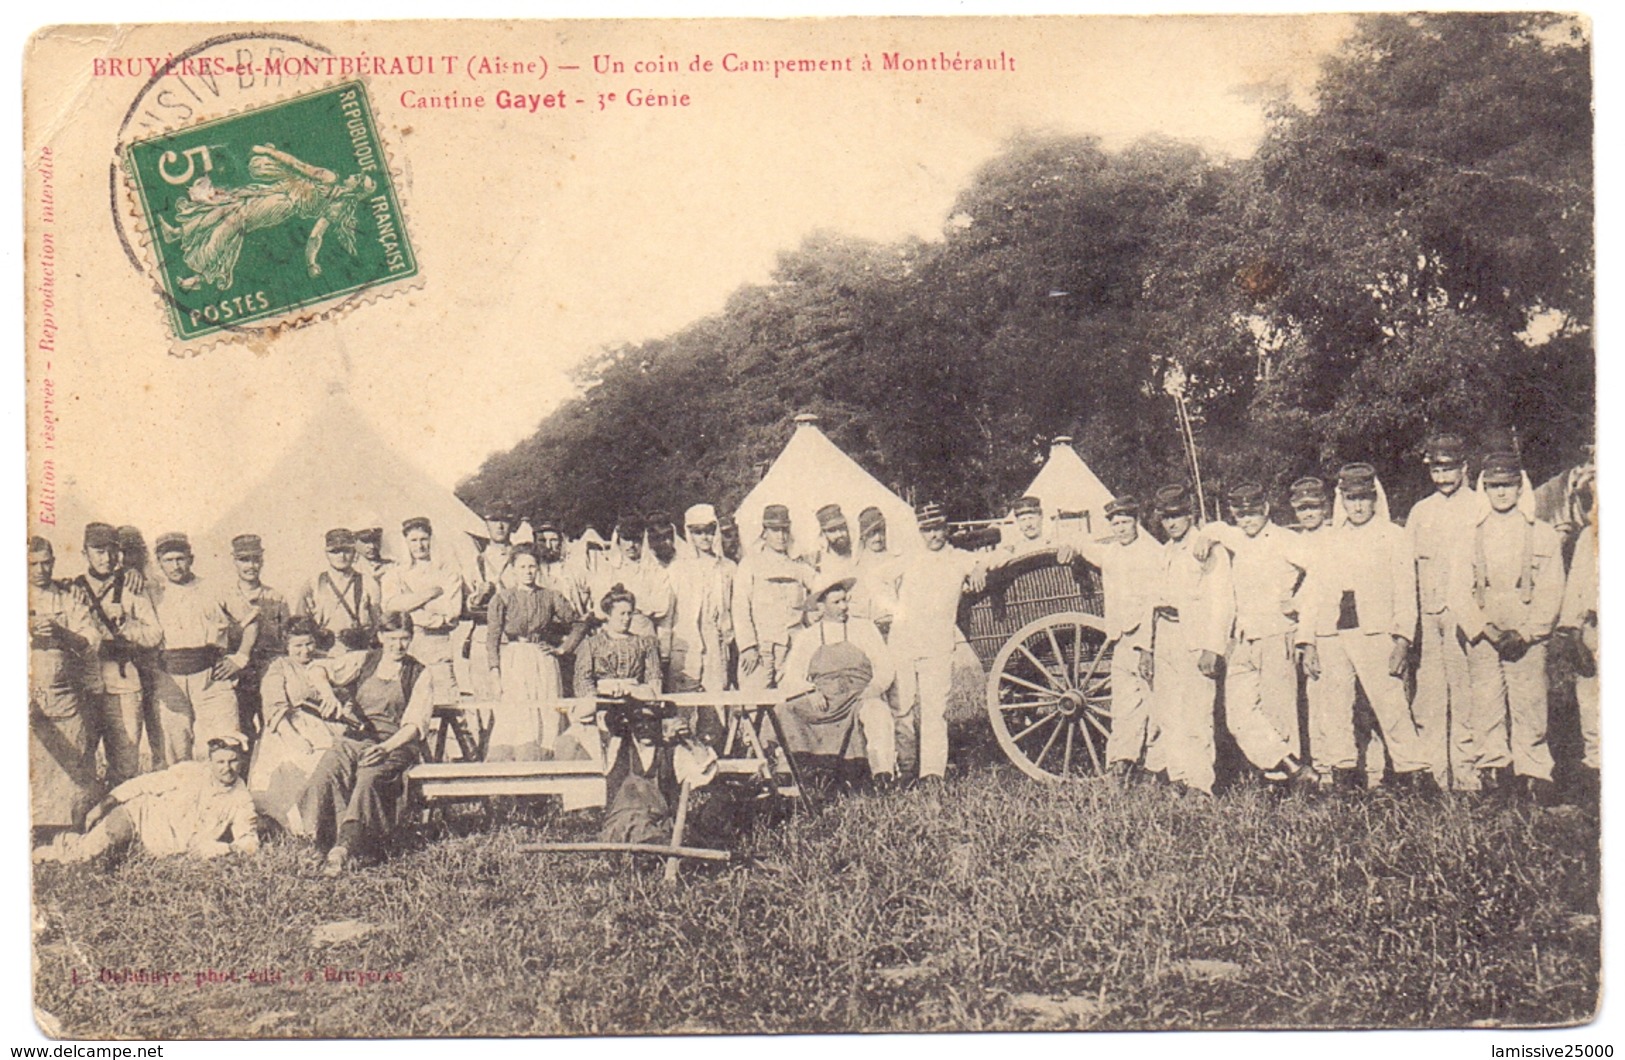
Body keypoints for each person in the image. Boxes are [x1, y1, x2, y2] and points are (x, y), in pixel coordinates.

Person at [1298, 464, 1436, 794]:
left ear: (1375, 499)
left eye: (1364, 498)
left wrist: (1402, 639)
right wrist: (1308, 641)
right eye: (1351, 499)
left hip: (1375, 633)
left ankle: (1410, 773)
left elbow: (1405, 593)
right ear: (1341, 501)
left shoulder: (1393, 537)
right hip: (1331, 634)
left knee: (1390, 704)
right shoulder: (1330, 540)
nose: (1358, 506)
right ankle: (1344, 775)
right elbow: (1314, 592)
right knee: (1336, 706)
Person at [1447, 450, 1566, 802]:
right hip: (1483, 632)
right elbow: (1458, 590)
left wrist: (1528, 633)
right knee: (1485, 703)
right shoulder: (1470, 535)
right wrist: (1485, 629)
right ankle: (1495, 774)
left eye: (1508, 486)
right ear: (1485, 488)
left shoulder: (1542, 534)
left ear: (1520, 487)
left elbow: (1551, 589)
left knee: (1530, 704)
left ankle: (1535, 775)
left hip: (1526, 630)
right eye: (1494, 486)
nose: (1501, 493)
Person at [1195, 483, 1317, 791]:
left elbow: (1321, 572)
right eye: (1241, 514)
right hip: (1243, 638)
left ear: (1265, 509)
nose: (1246, 520)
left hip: (1276, 633)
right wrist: (1205, 535)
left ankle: (1282, 784)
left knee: (1279, 713)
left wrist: (1297, 603)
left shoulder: (1286, 540)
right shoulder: (1237, 536)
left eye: (1252, 513)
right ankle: (1292, 767)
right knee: (1238, 715)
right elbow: (1217, 528)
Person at [303, 612, 443, 875]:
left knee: (369, 778)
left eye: (404, 639)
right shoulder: (364, 660)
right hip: (356, 737)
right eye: (392, 639)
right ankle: (313, 843)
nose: (398, 646)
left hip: (395, 743)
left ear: (411, 639)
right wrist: (328, 694)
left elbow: (414, 725)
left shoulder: (420, 673)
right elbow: (317, 668)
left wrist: (386, 748)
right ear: (380, 637)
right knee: (326, 772)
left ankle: (345, 849)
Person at [573, 586, 713, 843]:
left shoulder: (644, 643)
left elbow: (654, 686)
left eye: (630, 613)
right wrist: (605, 690)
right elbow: (583, 688)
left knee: (655, 738)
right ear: (607, 614)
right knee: (598, 744)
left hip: (640, 707)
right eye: (621, 613)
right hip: (604, 713)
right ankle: (610, 811)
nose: (626, 619)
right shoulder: (591, 645)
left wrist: (633, 689)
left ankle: (655, 813)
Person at [157, 143, 378, 291]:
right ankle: (179, 234)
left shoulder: (331, 187)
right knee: (229, 205)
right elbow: (315, 236)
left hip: (281, 203)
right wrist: (311, 262)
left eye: (356, 178)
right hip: (276, 192)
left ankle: (198, 273)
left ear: (355, 188)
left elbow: (315, 235)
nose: (351, 175)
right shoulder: (334, 194)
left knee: (235, 220)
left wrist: (267, 151)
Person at [34, 735, 261, 865]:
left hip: (166, 845)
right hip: (138, 816)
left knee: (115, 859)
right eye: (220, 762)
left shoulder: (242, 799)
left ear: (241, 762)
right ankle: (54, 845)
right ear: (210, 761)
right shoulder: (190, 771)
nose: (226, 768)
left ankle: (72, 842)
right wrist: (104, 805)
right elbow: (143, 784)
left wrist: (229, 849)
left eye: (233, 761)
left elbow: (248, 838)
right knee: (84, 855)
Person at [889, 502, 989, 787]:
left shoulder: (959, 558)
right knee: (903, 708)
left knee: (935, 710)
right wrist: (892, 607)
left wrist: (979, 567)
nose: (933, 536)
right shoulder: (908, 558)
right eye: (927, 530)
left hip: (937, 644)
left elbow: (993, 559)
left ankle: (932, 772)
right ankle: (906, 768)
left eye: (937, 529)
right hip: (903, 641)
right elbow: (875, 578)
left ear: (946, 529)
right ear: (920, 532)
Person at [1142, 485, 1231, 797]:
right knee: (1169, 712)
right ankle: (1178, 777)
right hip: (1165, 634)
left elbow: (1222, 601)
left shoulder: (1207, 548)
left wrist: (1213, 646)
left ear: (1190, 515)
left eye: (1177, 516)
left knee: (1197, 714)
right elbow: (1152, 603)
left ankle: (1200, 784)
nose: (1172, 523)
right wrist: (1148, 648)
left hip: (1194, 636)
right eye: (1166, 518)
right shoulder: (1165, 551)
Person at [1407, 432, 1480, 790]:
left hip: (1464, 616)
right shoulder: (1421, 512)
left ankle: (1469, 776)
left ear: (1464, 468)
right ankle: (1434, 773)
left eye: (1449, 468)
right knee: (1430, 696)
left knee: (1466, 694)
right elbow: (1408, 568)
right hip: (1428, 615)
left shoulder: (1479, 507)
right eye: (1436, 469)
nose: (1442, 477)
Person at [778, 574, 898, 789]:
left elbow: (885, 667)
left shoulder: (865, 628)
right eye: (836, 602)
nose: (844, 607)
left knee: (877, 712)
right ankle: (795, 771)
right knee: (785, 710)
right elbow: (791, 677)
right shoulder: (808, 636)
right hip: (826, 699)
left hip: (858, 696)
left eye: (845, 600)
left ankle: (882, 775)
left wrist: (874, 688)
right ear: (821, 606)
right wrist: (809, 692)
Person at [149, 532, 260, 764]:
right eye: (168, 560)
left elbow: (251, 622)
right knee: (175, 754)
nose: (176, 565)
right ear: (158, 562)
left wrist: (240, 657)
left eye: (180, 558)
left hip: (212, 678)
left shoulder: (214, 588)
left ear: (191, 558)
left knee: (223, 746)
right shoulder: (151, 590)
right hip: (170, 679)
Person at [70, 522, 161, 787]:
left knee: (125, 760)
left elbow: (154, 634)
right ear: (84, 552)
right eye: (98, 550)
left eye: (111, 551)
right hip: (86, 685)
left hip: (123, 684)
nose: (106, 558)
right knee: (82, 758)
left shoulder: (132, 586)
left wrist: (127, 627)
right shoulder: (73, 588)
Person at [247, 616, 350, 837]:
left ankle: (328, 826)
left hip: (326, 728)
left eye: (309, 643)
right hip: (289, 729)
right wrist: (295, 739)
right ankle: (296, 829)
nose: (305, 651)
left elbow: (346, 692)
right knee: (296, 768)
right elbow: (274, 708)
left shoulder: (326, 661)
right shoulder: (279, 667)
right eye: (298, 646)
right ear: (287, 646)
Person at [485, 546, 589, 760]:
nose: (528, 571)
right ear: (513, 569)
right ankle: (519, 763)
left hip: (542, 660)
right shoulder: (503, 598)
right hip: (513, 660)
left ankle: (547, 760)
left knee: (547, 711)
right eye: (522, 566)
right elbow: (493, 637)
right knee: (519, 713)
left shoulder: (550, 596)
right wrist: (494, 670)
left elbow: (579, 623)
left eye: (532, 566)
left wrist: (562, 648)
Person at [30, 536, 99, 842]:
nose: (41, 570)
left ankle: (67, 832)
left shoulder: (67, 598)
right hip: (27, 695)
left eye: (47, 562)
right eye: (33, 564)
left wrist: (61, 632)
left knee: (71, 761)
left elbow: (89, 640)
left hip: (63, 695)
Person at [1095, 497, 1163, 781]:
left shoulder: (1152, 553)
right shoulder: (1111, 552)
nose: (1120, 528)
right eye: (1115, 523)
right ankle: (1121, 762)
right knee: (1124, 704)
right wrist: (1069, 546)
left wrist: (1147, 648)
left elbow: (1154, 604)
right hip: (1121, 636)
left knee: (1155, 703)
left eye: (1125, 522)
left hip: (1147, 638)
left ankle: (1156, 766)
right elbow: (1087, 548)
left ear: (1136, 522)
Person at [382, 516, 466, 703]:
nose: (419, 545)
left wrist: (409, 605)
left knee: (446, 701)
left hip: (437, 643)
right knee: (407, 701)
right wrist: (431, 594)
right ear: (405, 542)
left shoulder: (448, 574)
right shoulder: (394, 575)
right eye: (413, 540)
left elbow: (451, 612)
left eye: (423, 539)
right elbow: (390, 608)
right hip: (406, 644)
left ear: (431, 540)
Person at [733, 504, 813, 693]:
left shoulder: (798, 565)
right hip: (761, 650)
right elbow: (740, 608)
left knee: (795, 701)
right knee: (751, 706)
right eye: (775, 530)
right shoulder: (750, 564)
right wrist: (748, 647)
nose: (781, 536)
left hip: (794, 649)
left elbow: (821, 590)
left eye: (784, 530)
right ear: (764, 532)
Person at [667, 504, 736, 695]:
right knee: (683, 704)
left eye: (709, 531)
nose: (705, 537)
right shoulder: (677, 569)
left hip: (715, 640)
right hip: (686, 641)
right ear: (689, 534)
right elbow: (669, 612)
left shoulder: (728, 568)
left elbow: (733, 608)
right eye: (698, 532)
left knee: (715, 701)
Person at [226, 534, 290, 742]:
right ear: (234, 561)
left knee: (273, 729)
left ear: (262, 560)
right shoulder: (225, 597)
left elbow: (285, 638)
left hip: (268, 673)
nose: (250, 566)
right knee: (240, 731)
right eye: (244, 560)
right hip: (238, 675)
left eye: (255, 559)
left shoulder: (276, 597)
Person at [1557, 518, 1599, 802]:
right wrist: (1573, 630)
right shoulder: (1592, 533)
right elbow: (1577, 584)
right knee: (1592, 700)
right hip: (1596, 626)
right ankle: (1597, 771)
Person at [297, 528, 382, 651]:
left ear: (354, 552)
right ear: (326, 553)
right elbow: (300, 623)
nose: (341, 556)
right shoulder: (313, 583)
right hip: (322, 652)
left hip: (358, 651)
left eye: (346, 551)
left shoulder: (368, 582)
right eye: (335, 551)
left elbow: (377, 623)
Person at [466, 507, 520, 701]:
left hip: (514, 635)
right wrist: (479, 596)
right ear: (486, 524)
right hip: (483, 632)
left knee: (516, 695)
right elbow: (466, 604)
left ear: (512, 525)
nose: (499, 525)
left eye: (504, 520)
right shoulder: (476, 561)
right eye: (494, 520)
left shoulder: (521, 558)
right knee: (485, 696)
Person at [853, 506, 901, 635]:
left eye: (881, 532)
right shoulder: (857, 567)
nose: (878, 538)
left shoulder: (896, 563)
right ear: (863, 536)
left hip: (896, 629)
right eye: (872, 534)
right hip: (868, 631)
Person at [353, 527, 395, 597]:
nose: (372, 546)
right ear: (355, 542)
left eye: (375, 540)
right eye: (366, 542)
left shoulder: (392, 566)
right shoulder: (353, 569)